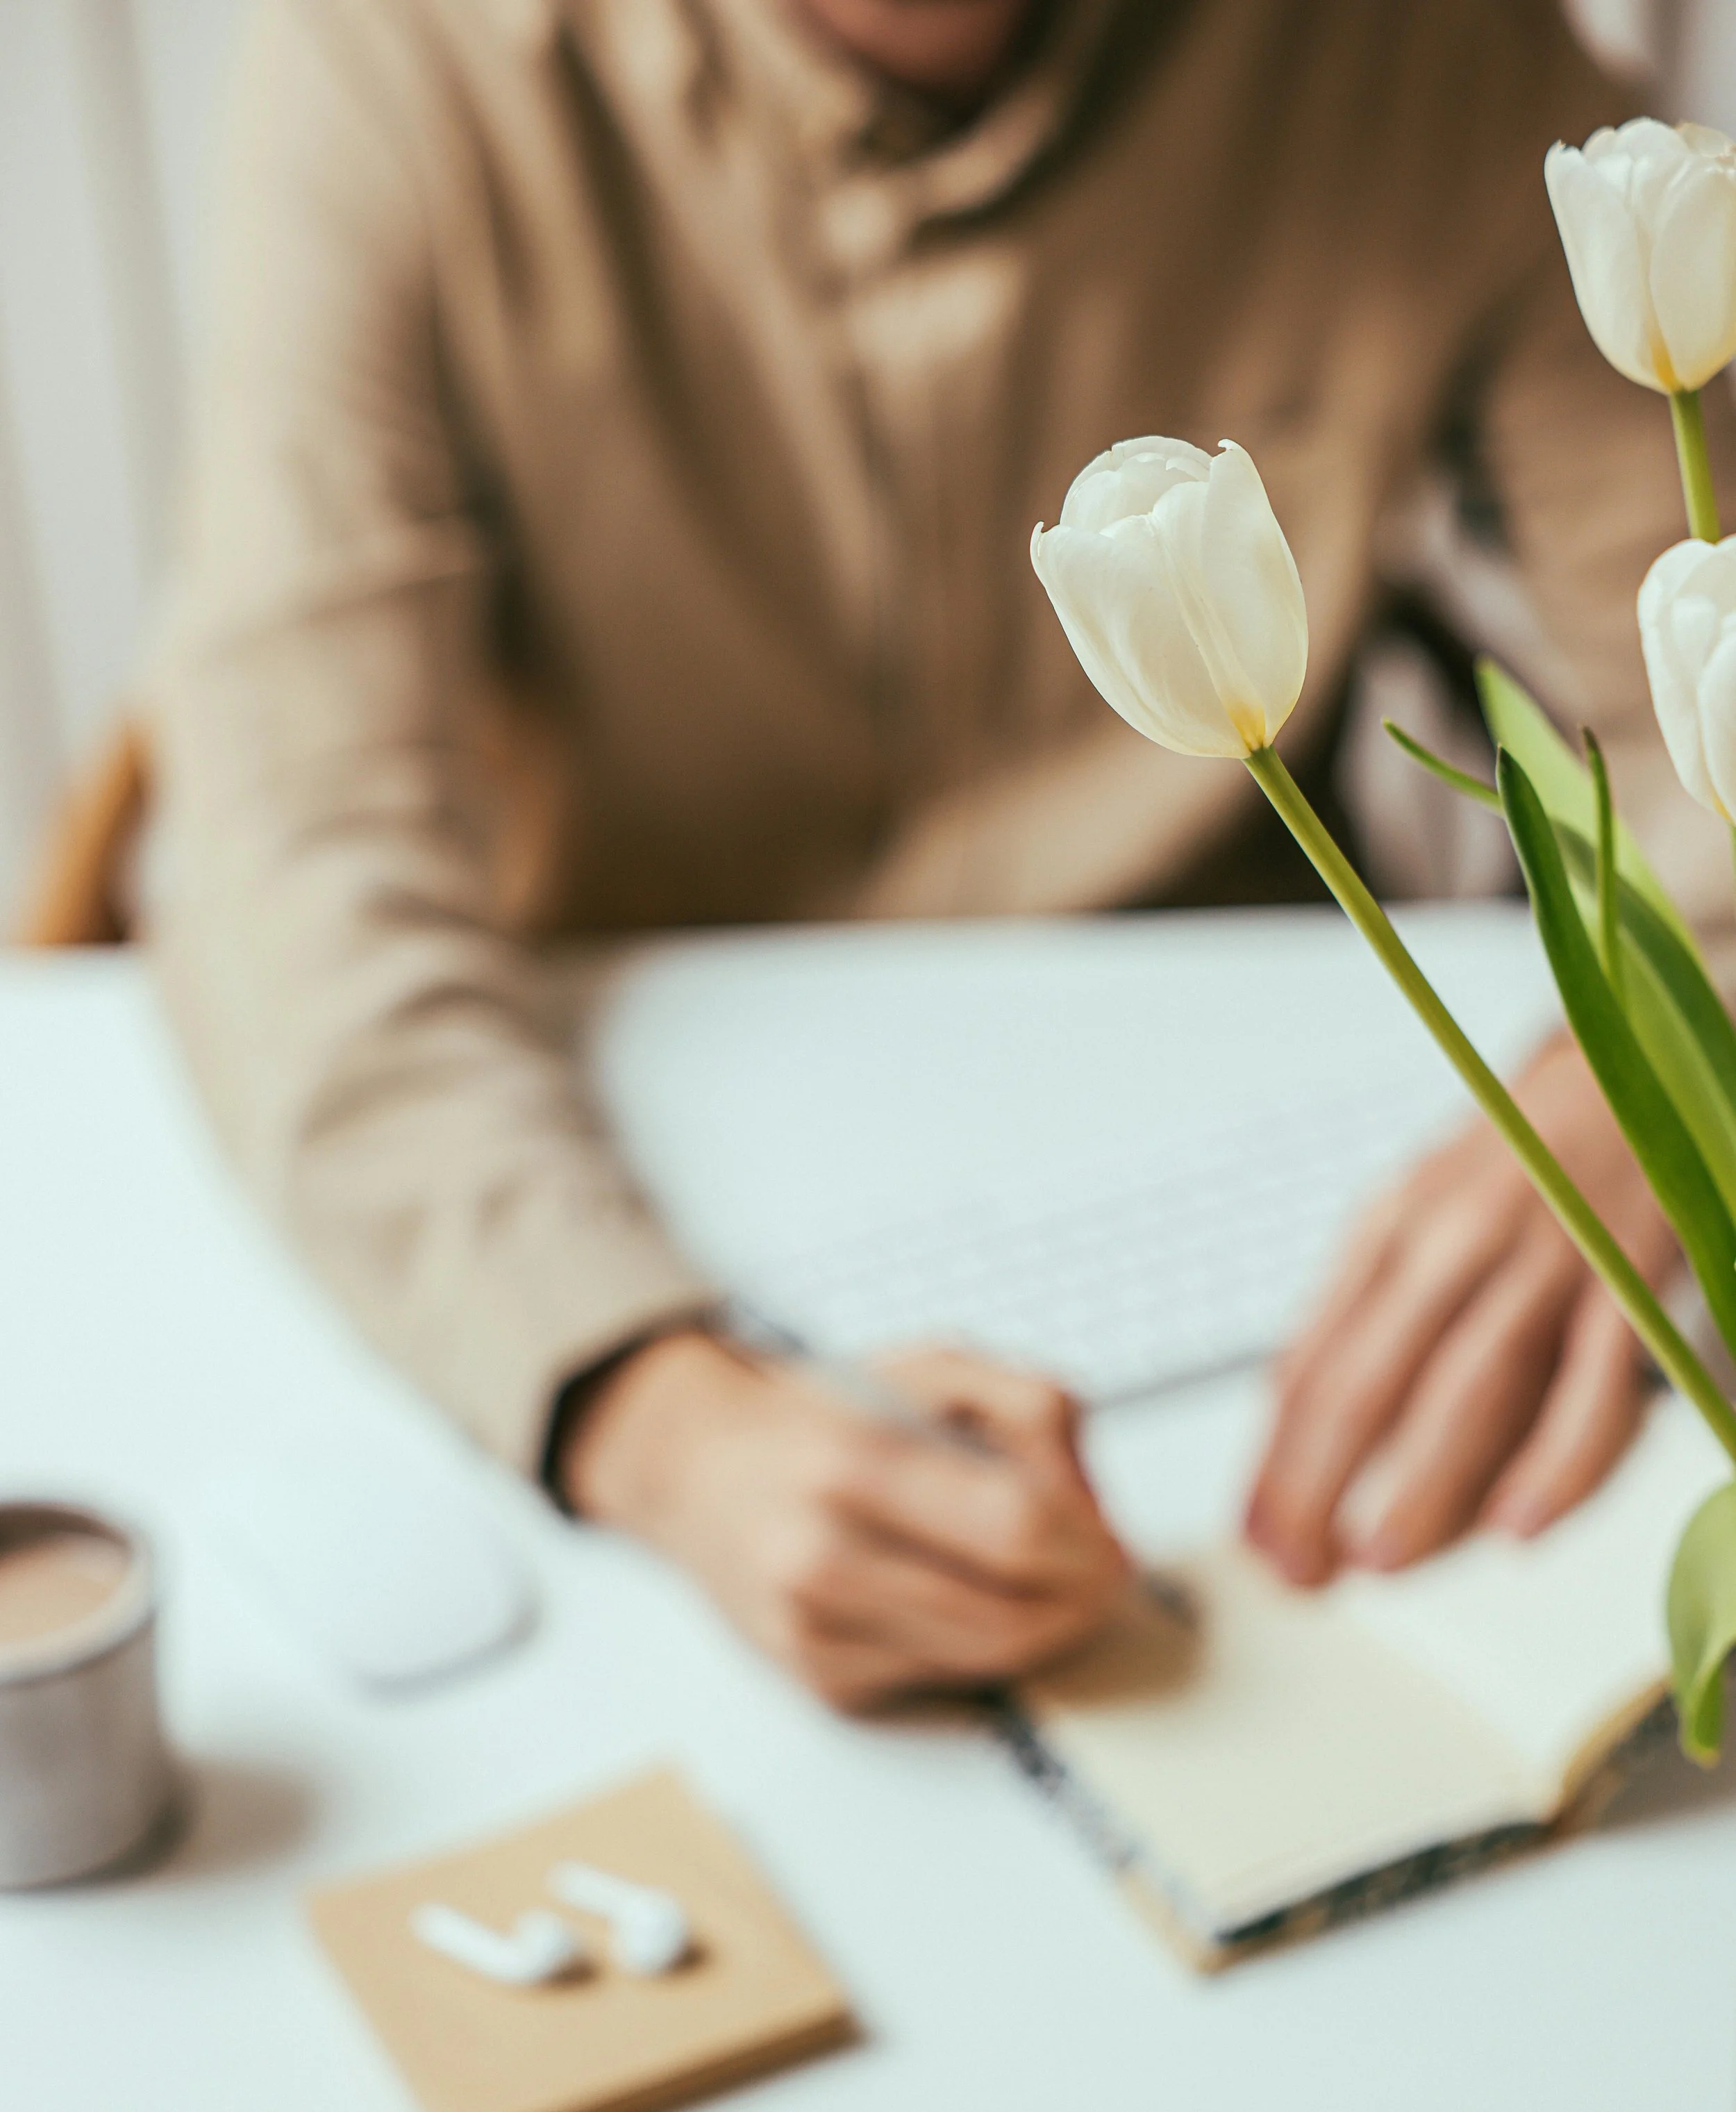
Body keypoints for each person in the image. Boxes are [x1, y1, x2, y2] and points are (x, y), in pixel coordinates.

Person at [152, 0, 1731, 1706]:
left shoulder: (1428, 52)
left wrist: (1650, 1061)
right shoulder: (395, 59)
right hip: (620, 1187)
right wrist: (644, 1411)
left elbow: (1702, 642)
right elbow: (289, 850)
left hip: (1249, 1220)